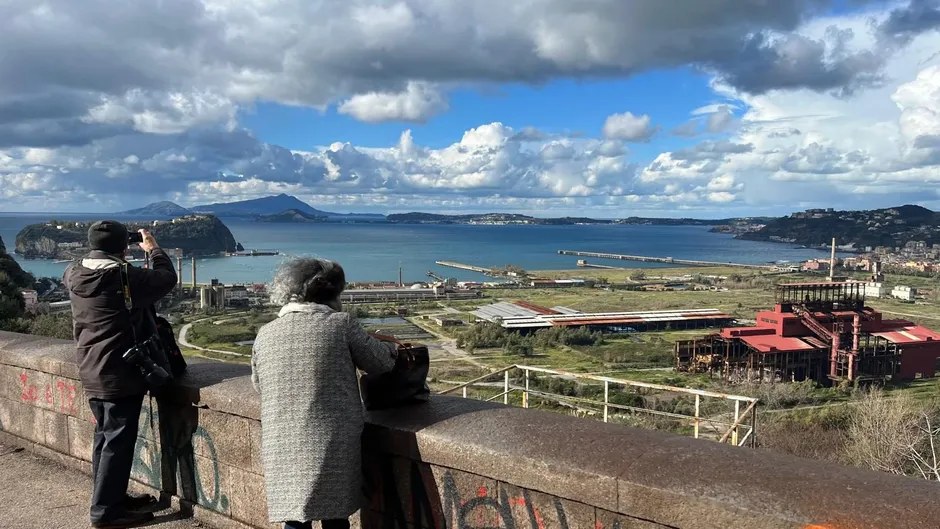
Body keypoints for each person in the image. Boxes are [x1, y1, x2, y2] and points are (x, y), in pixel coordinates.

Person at [251, 258, 399, 529]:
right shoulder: (340, 324)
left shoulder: (266, 333)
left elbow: (259, 384)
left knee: (295, 515)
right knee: (334, 515)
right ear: (333, 292)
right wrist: (391, 346)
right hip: (330, 438)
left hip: (281, 439)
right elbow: (380, 363)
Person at [64, 220, 178, 528]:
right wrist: (153, 248)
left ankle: (111, 499)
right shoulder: (124, 276)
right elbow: (167, 278)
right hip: (121, 370)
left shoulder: (73, 272)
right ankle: (105, 512)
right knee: (116, 441)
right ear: (121, 246)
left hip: (91, 365)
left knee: (105, 437)